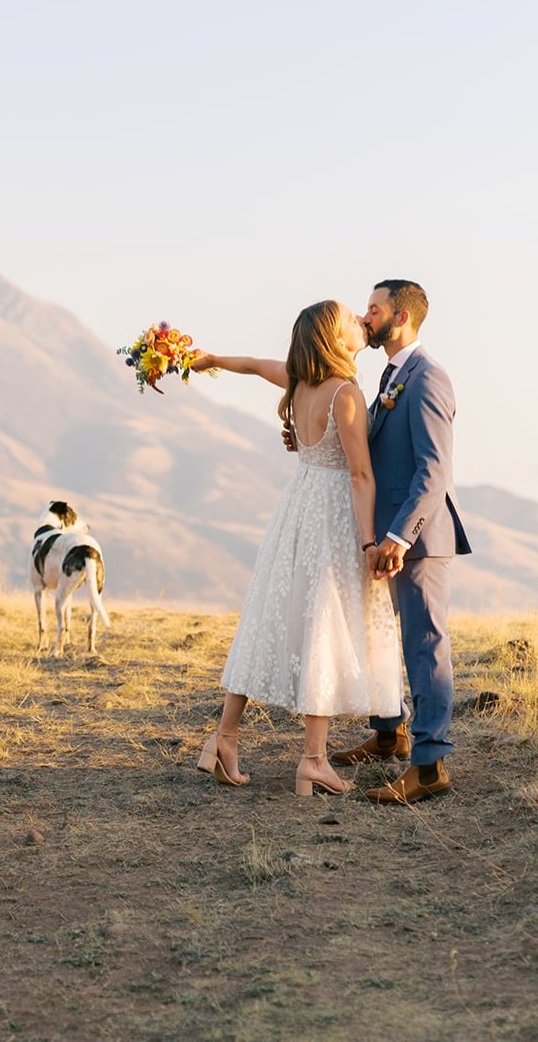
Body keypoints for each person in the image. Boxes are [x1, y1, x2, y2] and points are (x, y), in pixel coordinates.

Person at [189, 300, 402, 797]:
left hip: (295, 507)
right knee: (324, 625)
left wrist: (212, 359)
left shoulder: (298, 381)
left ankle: (223, 738)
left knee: (269, 617)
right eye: (351, 319)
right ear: (333, 336)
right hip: (330, 514)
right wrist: (370, 540)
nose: (359, 323)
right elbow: (360, 473)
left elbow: (251, 365)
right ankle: (312, 760)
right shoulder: (344, 392)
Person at [322, 279, 471, 805]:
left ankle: (429, 767)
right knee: (381, 636)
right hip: (385, 539)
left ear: (400, 316)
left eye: (374, 309)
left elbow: (433, 472)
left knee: (425, 645)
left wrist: (397, 537)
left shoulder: (428, 378)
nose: (366, 317)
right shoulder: (390, 375)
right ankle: (390, 732)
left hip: (417, 540)